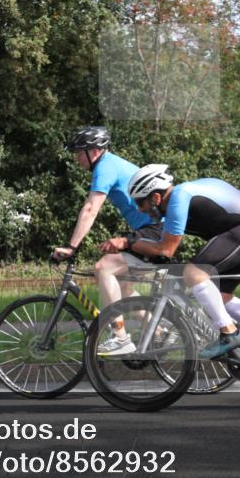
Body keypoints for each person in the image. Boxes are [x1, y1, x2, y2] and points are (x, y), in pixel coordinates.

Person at [99, 164, 240, 359]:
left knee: (194, 273)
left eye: (141, 203)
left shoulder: (179, 198)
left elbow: (166, 249)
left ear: (156, 197)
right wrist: (132, 244)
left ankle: (230, 332)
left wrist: (126, 242)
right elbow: (161, 244)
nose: (140, 210)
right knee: (221, 296)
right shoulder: (180, 197)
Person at [51, 127, 164, 354]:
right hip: (154, 229)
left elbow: (91, 208)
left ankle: (120, 336)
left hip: (154, 230)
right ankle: (162, 333)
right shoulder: (110, 164)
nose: (77, 158)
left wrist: (71, 247)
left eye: (79, 153)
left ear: (94, 151)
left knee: (103, 267)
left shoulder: (104, 168)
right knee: (122, 289)